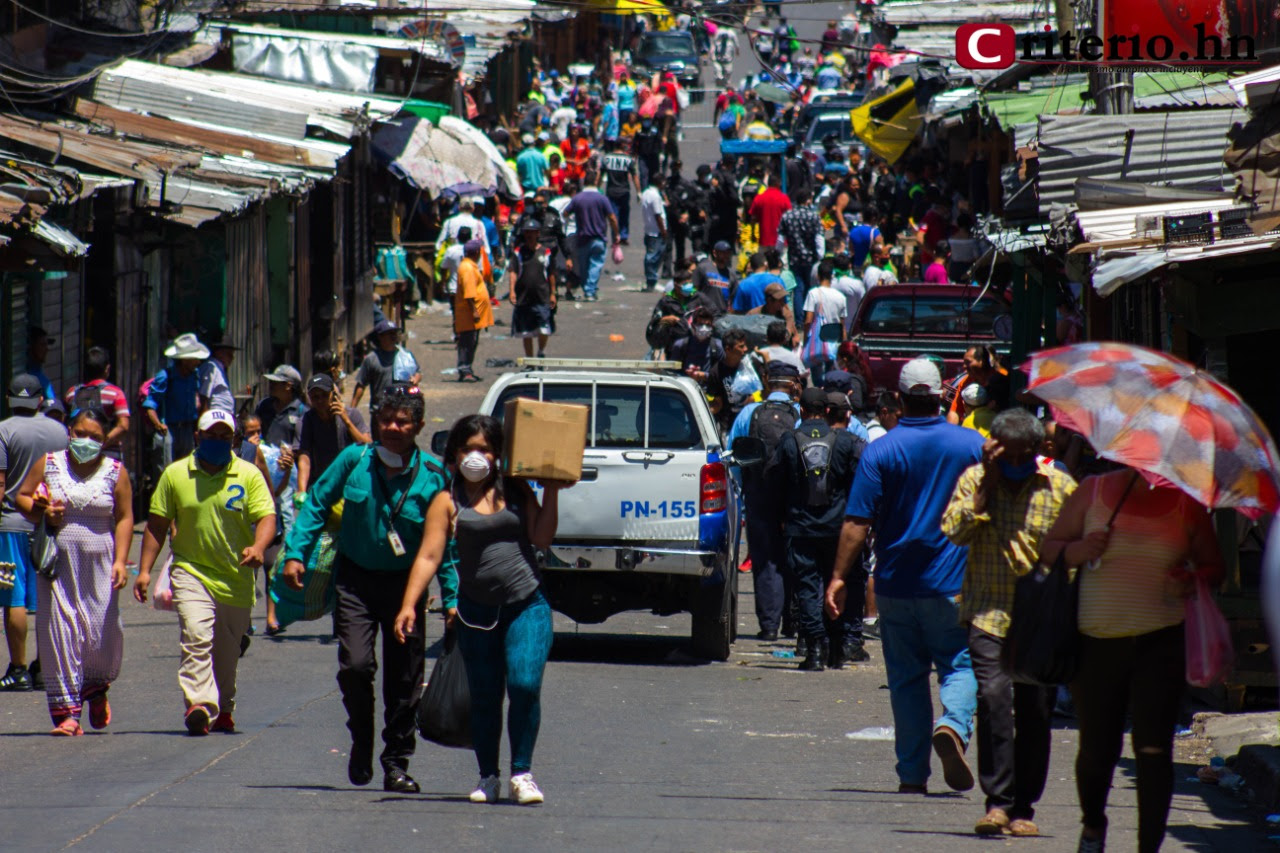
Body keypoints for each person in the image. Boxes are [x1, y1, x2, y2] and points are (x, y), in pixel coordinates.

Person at [1041, 469, 1224, 853]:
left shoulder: (1186, 502)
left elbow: (1213, 566)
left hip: (1161, 645)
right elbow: (1050, 546)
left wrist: (1190, 578)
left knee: (1154, 750)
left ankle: (1148, 847)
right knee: (1096, 749)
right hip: (1096, 645)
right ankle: (1093, 827)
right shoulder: (1093, 491)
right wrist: (1080, 550)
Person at [393, 415, 569, 806]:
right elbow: (429, 555)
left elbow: (542, 537)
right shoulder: (447, 501)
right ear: (455, 453)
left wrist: (553, 491)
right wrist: (409, 604)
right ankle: (488, 775)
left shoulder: (516, 489)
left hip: (527, 605)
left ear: (498, 455)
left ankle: (522, 773)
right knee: (486, 696)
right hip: (476, 612)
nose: (477, 456)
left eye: (485, 449)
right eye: (469, 448)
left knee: (524, 684)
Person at [284, 385, 453, 794]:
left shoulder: (433, 475)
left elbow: (445, 547)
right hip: (355, 582)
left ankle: (395, 761)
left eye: (404, 420)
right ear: (376, 422)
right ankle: (361, 738)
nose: (394, 427)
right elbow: (317, 505)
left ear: (419, 426)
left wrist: (453, 598)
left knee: (405, 679)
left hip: (406, 590)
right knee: (356, 667)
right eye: (387, 419)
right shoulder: (354, 461)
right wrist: (295, 554)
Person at [826, 358, 983, 795]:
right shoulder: (971, 444)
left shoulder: (881, 449)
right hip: (953, 585)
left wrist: (838, 577)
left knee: (907, 679)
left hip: (894, 585)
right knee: (960, 664)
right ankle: (952, 724)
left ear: (899, 398)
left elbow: (857, 521)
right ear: (939, 396)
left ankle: (913, 774)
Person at [941, 410, 1077, 838]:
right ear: (994, 452)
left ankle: (1024, 806)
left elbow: (1078, 555)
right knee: (994, 697)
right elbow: (953, 530)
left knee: (1036, 711)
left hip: (1040, 622)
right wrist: (986, 486)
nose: (1014, 463)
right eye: (1006, 456)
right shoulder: (975, 480)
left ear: (1036, 453)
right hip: (987, 612)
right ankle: (997, 802)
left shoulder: (1060, 488)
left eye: (1022, 456)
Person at [134, 409, 276, 735]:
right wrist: (144, 570)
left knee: (227, 654)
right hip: (190, 571)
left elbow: (267, 517)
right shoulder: (175, 475)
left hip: (236, 577)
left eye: (225, 436)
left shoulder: (248, 474)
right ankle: (200, 705)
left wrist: (257, 547)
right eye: (211, 435)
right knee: (197, 636)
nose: (217, 441)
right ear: (198, 437)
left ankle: (223, 707)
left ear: (234, 440)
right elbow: (156, 525)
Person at [16, 408, 132, 735]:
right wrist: (43, 511)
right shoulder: (50, 463)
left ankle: (95, 688)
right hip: (58, 565)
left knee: (101, 632)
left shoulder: (115, 471)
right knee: (60, 633)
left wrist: (122, 560)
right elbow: (22, 497)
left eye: (95, 436)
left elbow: (124, 518)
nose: (87, 441)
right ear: (70, 432)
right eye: (81, 433)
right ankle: (67, 713)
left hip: (100, 565)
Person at [773, 386, 866, 670]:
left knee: (807, 588)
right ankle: (837, 649)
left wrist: (781, 518)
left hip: (800, 529)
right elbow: (860, 483)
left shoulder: (789, 440)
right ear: (827, 411)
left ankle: (814, 650)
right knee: (836, 585)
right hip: (837, 530)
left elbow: (774, 483)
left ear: (801, 411)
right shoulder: (846, 442)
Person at [0, 375, 69, 692]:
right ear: (41, 400)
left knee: (12, 597)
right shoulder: (59, 431)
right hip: (50, 525)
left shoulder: (4, 430)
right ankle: (44, 667)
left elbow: (1, 483)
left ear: (9, 399)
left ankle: (18, 669)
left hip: (11, 524)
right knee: (47, 596)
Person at [296, 374, 370, 502]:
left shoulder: (352, 415)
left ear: (333, 395)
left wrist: (346, 421)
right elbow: (304, 458)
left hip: (350, 485)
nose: (320, 401)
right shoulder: (305, 421)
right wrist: (301, 491)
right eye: (315, 397)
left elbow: (368, 446)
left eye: (324, 395)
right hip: (322, 485)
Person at [144, 334, 208, 465]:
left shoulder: (194, 376)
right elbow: (150, 405)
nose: (198, 362)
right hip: (169, 430)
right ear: (184, 359)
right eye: (194, 358)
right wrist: (158, 424)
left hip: (187, 430)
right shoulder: (165, 377)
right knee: (167, 468)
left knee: (187, 468)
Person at [63, 347, 130, 460]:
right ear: (107, 369)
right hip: (107, 454)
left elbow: (65, 422)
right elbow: (123, 426)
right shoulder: (115, 393)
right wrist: (101, 442)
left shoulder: (71, 393)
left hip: (77, 454)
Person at [562, 172, 619, 303]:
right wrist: (616, 234)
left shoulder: (577, 198)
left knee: (584, 266)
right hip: (598, 238)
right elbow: (612, 218)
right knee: (595, 265)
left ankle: (588, 288)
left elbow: (565, 213)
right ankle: (590, 291)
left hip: (582, 238)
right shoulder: (602, 198)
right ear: (595, 182)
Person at [508, 219, 558, 359]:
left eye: (532, 232)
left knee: (544, 329)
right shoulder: (519, 252)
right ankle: (530, 361)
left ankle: (541, 351)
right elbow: (513, 272)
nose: (529, 235)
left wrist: (553, 294)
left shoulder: (546, 252)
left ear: (537, 234)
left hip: (542, 296)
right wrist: (512, 291)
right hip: (523, 298)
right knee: (526, 332)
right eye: (527, 232)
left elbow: (552, 274)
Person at [777, 187, 824, 313]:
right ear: (808, 200)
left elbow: (781, 239)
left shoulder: (787, 216)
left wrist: (778, 255)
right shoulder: (814, 216)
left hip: (794, 258)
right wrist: (821, 256)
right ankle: (809, 316)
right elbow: (819, 238)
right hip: (811, 259)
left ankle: (799, 319)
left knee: (798, 288)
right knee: (810, 287)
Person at [705, 329, 760, 434]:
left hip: (750, 422)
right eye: (741, 346)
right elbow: (715, 401)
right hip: (728, 427)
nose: (745, 349)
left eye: (745, 345)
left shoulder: (752, 366)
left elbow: (760, 393)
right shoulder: (716, 372)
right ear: (728, 349)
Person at [455, 238, 495, 382]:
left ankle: (468, 369)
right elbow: (469, 292)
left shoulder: (469, 266)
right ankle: (465, 370)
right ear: (477, 252)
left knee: (471, 341)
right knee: (467, 342)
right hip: (468, 314)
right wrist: (474, 311)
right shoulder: (467, 268)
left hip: (470, 314)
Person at [353, 320, 412, 409]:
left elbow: (417, 373)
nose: (393, 336)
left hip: (401, 409)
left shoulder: (405, 355)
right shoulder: (371, 359)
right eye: (390, 333)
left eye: (395, 333)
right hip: (380, 410)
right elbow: (361, 384)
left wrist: (416, 378)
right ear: (380, 336)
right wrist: (352, 409)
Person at [600, 140, 641, 245]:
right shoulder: (628, 159)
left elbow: (600, 174)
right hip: (624, 191)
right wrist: (638, 192)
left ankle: (615, 236)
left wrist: (597, 188)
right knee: (624, 214)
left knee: (613, 214)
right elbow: (635, 176)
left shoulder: (607, 158)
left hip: (611, 190)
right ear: (622, 146)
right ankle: (623, 235)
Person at [254, 365, 305, 447]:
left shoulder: (301, 411)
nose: (271, 385)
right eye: (271, 381)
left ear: (288, 386)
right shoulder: (263, 406)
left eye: (275, 382)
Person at [693, 241, 738, 317]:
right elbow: (694, 291)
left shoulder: (732, 274)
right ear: (714, 253)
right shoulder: (703, 268)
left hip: (722, 315)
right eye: (723, 253)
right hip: (704, 314)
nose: (726, 255)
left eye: (728, 253)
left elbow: (734, 298)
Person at [640, 172, 668, 292]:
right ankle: (651, 281)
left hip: (649, 230)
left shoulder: (647, 192)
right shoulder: (655, 196)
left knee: (654, 256)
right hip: (656, 232)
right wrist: (664, 231)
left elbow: (665, 204)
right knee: (653, 257)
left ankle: (652, 279)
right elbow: (658, 215)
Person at [748, 174, 792, 250]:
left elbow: (753, 218)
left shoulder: (759, 198)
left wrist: (752, 234)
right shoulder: (784, 198)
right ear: (777, 184)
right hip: (780, 241)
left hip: (764, 240)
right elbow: (790, 219)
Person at [748, 283, 799, 348]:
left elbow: (788, 333)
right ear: (769, 300)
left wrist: (795, 336)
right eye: (780, 300)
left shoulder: (786, 314)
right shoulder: (753, 314)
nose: (782, 303)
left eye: (783, 299)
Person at [197, 341, 238, 415]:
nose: (232, 358)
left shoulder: (219, 368)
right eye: (229, 354)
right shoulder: (210, 367)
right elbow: (203, 396)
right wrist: (205, 420)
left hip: (222, 416)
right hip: (215, 416)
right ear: (218, 353)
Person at [25, 327, 57, 407]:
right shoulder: (29, 378)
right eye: (42, 345)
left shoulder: (41, 377)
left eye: (47, 344)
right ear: (31, 346)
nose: (47, 349)